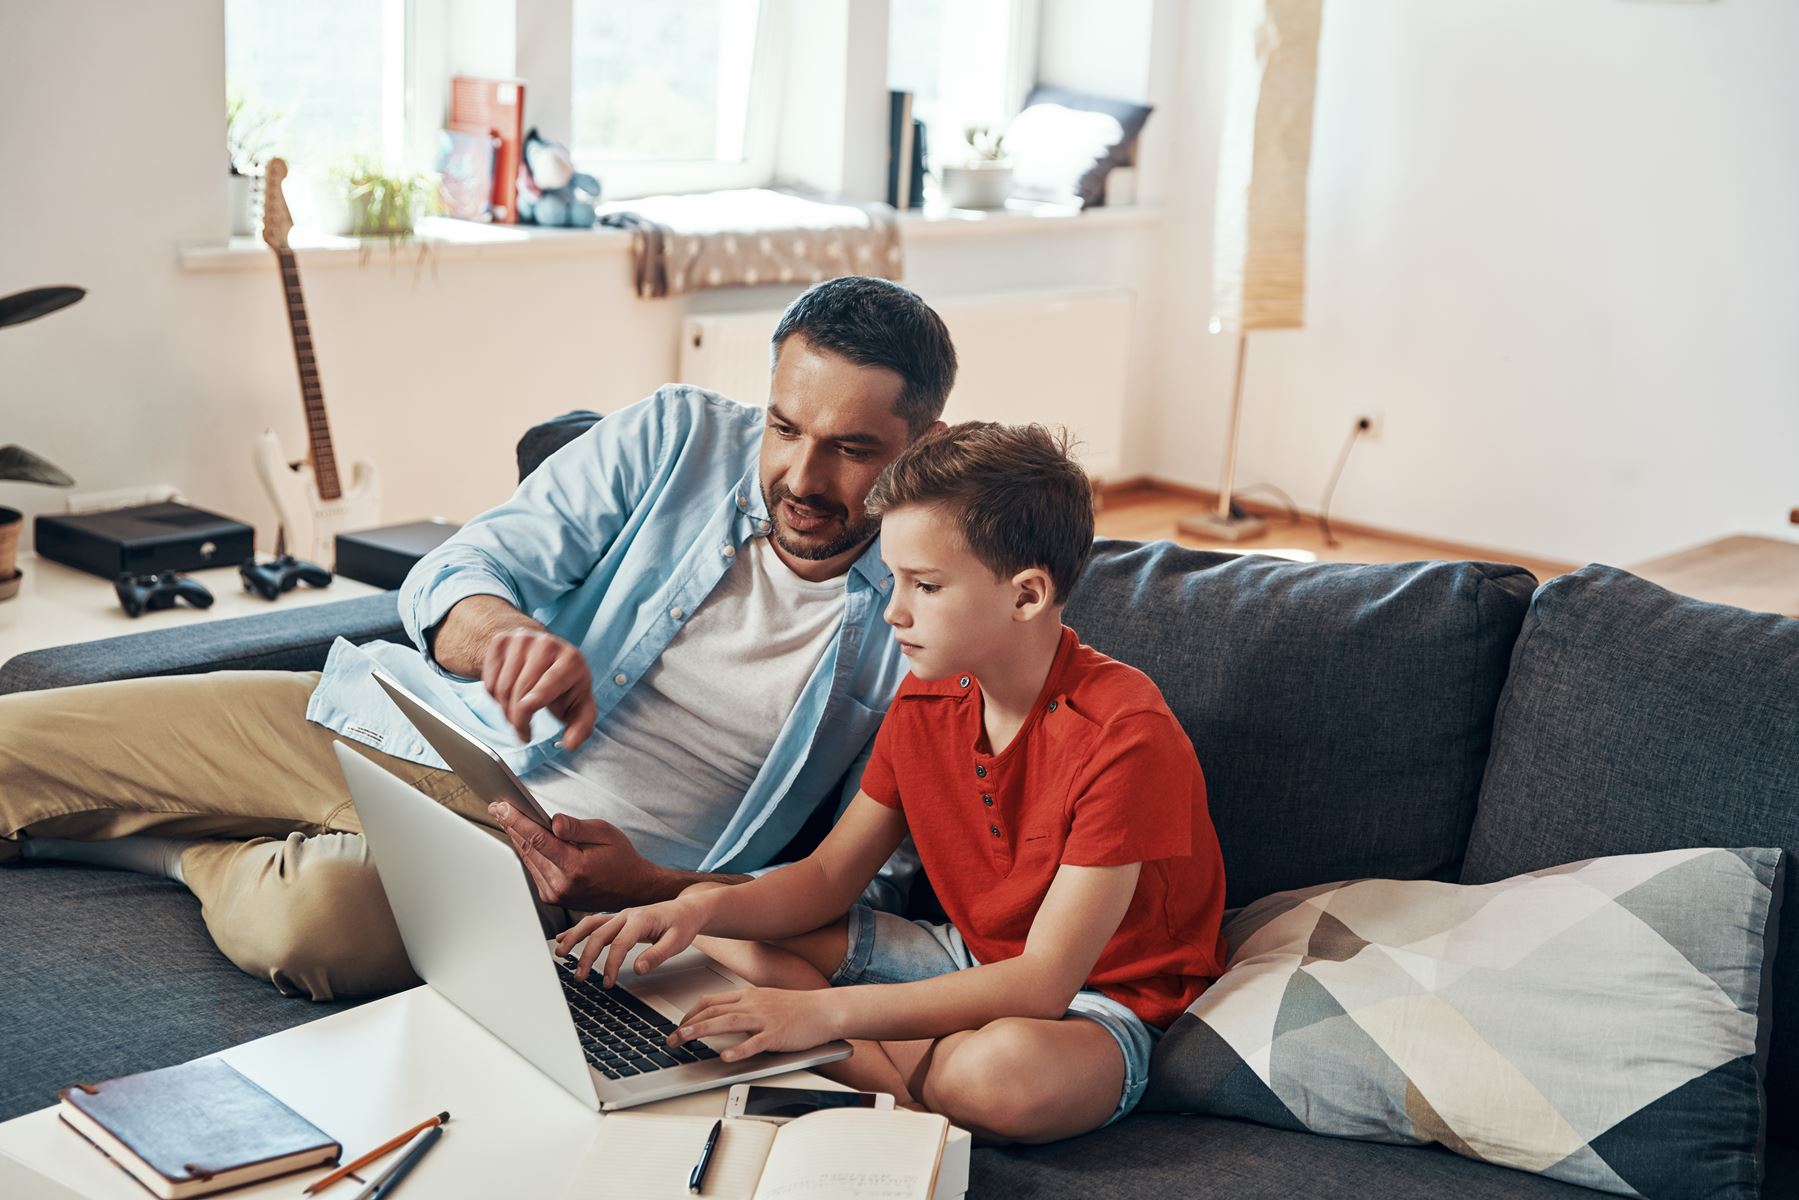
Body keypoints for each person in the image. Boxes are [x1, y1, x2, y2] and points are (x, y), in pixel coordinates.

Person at [0, 276, 958, 1002]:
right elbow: (457, 574)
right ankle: (185, 821)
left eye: (852, 449)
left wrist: (655, 885)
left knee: (313, 928)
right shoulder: (676, 438)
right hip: (399, 726)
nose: (799, 474)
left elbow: (866, 883)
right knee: (16, 742)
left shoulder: (935, 603)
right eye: (785, 428)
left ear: (921, 441)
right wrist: (502, 637)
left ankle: (170, 844)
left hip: (542, 870)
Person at [554, 423, 1229, 1143]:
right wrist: (693, 909)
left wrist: (821, 1015)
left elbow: (1043, 983)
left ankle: (872, 1074)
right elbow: (823, 878)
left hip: (1103, 996)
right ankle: (901, 1092)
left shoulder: (1124, 735)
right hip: (965, 957)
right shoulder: (925, 700)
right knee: (720, 934)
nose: (893, 611)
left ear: (1026, 595)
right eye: (893, 578)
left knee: (999, 1078)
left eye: (925, 586)